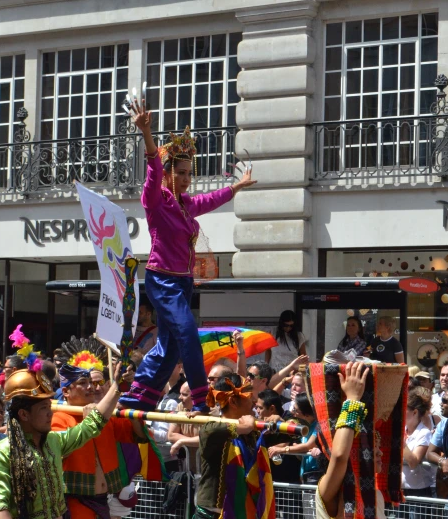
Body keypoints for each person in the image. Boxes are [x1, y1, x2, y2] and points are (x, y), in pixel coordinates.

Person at [118, 98, 255, 414]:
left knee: (170, 348)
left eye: (188, 174)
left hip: (183, 283)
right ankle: (201, 400)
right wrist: (147, 134)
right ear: (167, 173)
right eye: (180, 173)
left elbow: (210, 199)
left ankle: (140, 396)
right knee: (190, 335)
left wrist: (237, 188)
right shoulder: (157, 201)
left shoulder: (186, 204)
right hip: (162, 280)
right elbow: (153, 167)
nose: (186, 179)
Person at [0, 366, 122, 519]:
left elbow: (90, 426)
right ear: (24, 414)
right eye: (44, 408)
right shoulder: (3, 452)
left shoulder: (53, 441)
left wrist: (117, 386)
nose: (50, 413)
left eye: (49, 407)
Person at [51, 347, 144, 519]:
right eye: (82, 383)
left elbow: (140, 435)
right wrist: (89, 423)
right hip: (75, 501)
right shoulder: (58, 419)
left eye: (92, 382)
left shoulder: (106, 416)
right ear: (65, 392)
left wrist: (129, 405)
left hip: (103, 500)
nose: (91, 387)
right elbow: (62, 451)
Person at [197, 373, 274, 519]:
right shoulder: (210, 429)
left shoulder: (252, 431)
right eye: (249, 395)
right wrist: (244, 427)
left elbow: (291, 435)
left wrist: (278, 419)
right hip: (213, 513)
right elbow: (212, 430)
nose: (254, 399)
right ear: (233, 402)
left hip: (244, 511)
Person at [316, 362, 382, 519]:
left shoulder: (375, 493)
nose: (381, 452)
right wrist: (352, 399)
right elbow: (339, 457)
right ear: (353, 450)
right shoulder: (329, 489)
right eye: (373, 447)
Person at [269, 392, 322, 484]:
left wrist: (281, 450)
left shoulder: (319, 426)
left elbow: (308, 446)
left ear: (307, 415)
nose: (293, 412)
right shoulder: (305, 426)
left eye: (296, 410)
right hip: (305, 473)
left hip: (315, 474)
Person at [402, 388, 434, 500]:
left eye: (403, 409)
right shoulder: (403, 430)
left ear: (414, 412)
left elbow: (413, 462)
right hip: (400, 490)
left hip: (418, 492)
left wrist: (400, 442)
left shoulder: (424, 433)